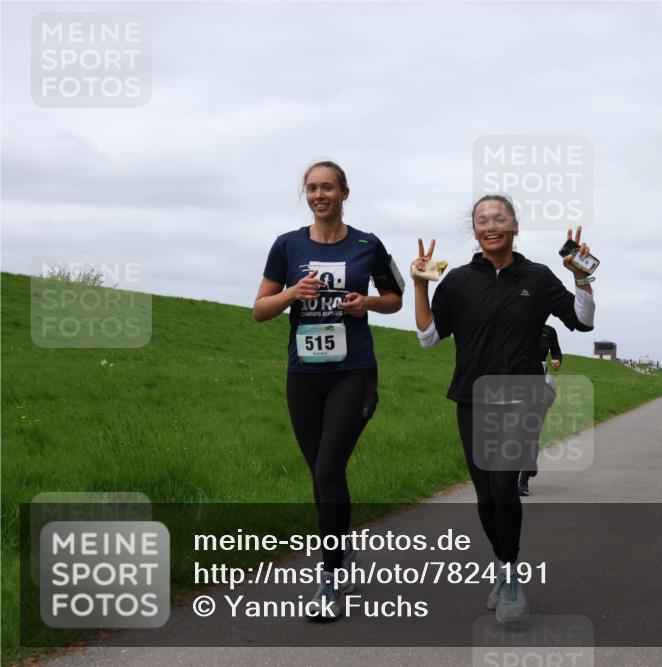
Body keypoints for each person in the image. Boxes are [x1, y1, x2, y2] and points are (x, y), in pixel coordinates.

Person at [413, 195, 595, 623]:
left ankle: (511, 575)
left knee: (501, 486)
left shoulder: (538, 276)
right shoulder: (457, 281)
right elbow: (427, 337)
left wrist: (582, 278)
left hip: (522, 394)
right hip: (472, 398)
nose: (490, 225)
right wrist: (420, 284)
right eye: (481, 220)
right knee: (483, 496)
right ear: (475, 231)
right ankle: (502, 564)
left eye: (499, 218)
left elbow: (582, 321)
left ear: (515, 226)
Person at [253, 161, 404, 620]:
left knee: (329, 469)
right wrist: (292, 294)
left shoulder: (367, 244)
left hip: (353, 372)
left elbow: (395, 298)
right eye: (313, 188)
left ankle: (330, 578)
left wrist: (368, 304)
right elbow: (260, 309)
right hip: (304, 374)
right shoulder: (287, 245)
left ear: (344, 192)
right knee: (320, 474)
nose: (320, 195)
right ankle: (341, 549)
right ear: (307, 195)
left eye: (328, 188)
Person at [518, 322, 563, 497]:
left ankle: (523, 481)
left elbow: (557, 352)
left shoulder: (548, 331)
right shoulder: (514, 325)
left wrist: (557, 361)